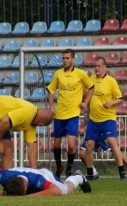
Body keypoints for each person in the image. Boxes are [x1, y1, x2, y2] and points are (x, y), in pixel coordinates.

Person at [0, 96, 53, 191]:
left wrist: (34, 169)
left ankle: (8, 187)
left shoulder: (32, 123)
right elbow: (5, 121)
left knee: (8, 149)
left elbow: (32, 146)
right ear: (41, 124)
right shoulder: (28, 113)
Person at [46, 48, 94, 178]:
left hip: (73, 115)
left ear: (73, 59)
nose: (65, 60)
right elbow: (50, 90)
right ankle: (59, 167)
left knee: (71, 146)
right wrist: (51, 107)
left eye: (67, 58)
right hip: (59, 114)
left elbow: (91, 87)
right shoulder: (58, 74)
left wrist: (85, 102)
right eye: (63, 58)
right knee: (56, 145)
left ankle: (68, 169)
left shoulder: (80, 74)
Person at [83, 57, 127, 181]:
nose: (96, 68)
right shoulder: (90, 80)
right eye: (95, 66)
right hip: (93, 120)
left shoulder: (111, 81)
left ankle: (122, 172)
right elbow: (89, 97)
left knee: (112, 142)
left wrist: (111, 102)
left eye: (99, 66)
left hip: (108, 118)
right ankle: (90, 173)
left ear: (104, 67)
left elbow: (120, 99)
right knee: (89, 146)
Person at [79, 113, 127, 180]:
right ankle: (93, 173)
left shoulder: (93, 103)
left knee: (115, 150)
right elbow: (87, 118)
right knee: (82, 154)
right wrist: (83, 127)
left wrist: (84, 128)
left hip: (101, 129)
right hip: (92, 130)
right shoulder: (85, 105)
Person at [0, 167, 91, 196]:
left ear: (25, 185)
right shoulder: (6, 176)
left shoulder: (37, 180)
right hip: (35, 173)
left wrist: (31, 196)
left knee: (68, 189)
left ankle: (78, 177)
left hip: (45, 175)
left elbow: (57, 191)